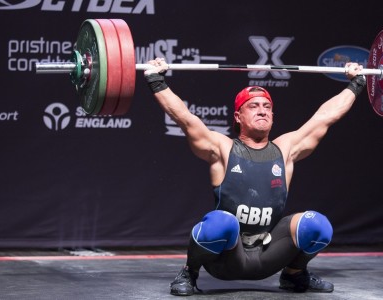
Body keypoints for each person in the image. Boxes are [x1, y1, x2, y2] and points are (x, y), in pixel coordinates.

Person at [144, 58, 366, 296]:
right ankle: (190, 272)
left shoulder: (286, 149)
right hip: (226, 258)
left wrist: (356, 84)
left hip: (268, 254)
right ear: (238, 117)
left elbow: (325, 117)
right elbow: (185, 118)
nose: (262, 110)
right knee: (222, 221)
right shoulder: (222, 148)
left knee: (318, 225)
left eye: (267, 106)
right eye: (253, 106)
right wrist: (155, 79)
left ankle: (293, 274)